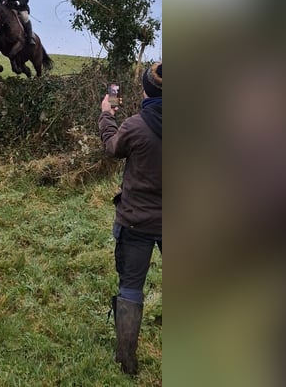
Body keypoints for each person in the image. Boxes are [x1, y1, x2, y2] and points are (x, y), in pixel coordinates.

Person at [98, 62, 162, 375]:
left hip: (136, 219)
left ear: (145, 90)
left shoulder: (135, 126)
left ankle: (127, 359)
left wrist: (107, 115)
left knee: (131, 287)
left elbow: (112, 149)